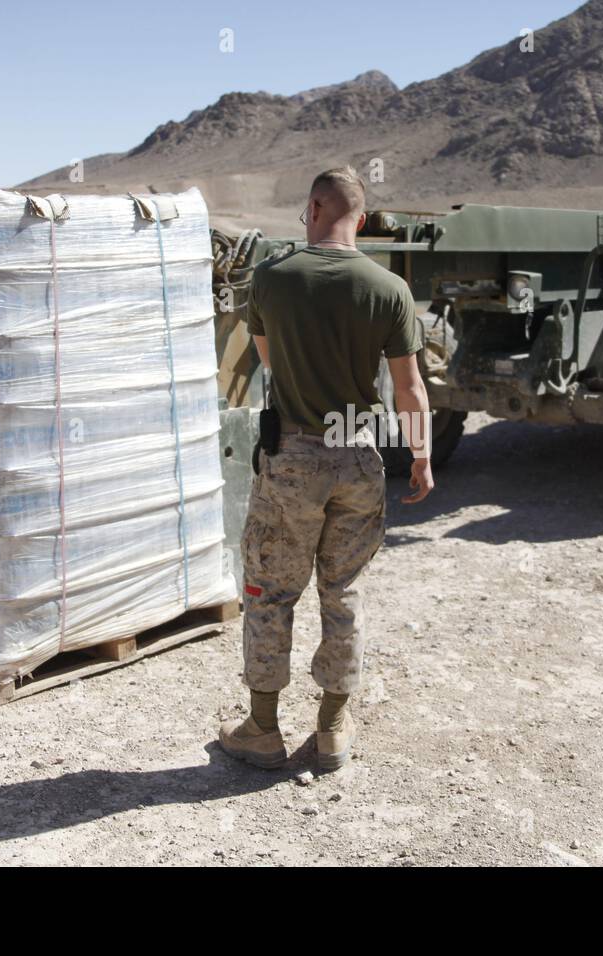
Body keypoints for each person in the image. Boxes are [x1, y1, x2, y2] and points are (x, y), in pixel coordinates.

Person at [218, 166, 435, 771]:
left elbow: (270, 364)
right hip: (358, 453)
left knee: (269, 590)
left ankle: (262, 730)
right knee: (344, 594)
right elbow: (410, 388)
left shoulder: (270, 279)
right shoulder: (388, 288)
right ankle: (333, 727)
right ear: (359, 219)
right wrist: (420, 455)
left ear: (312, 210)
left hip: (293, 456)